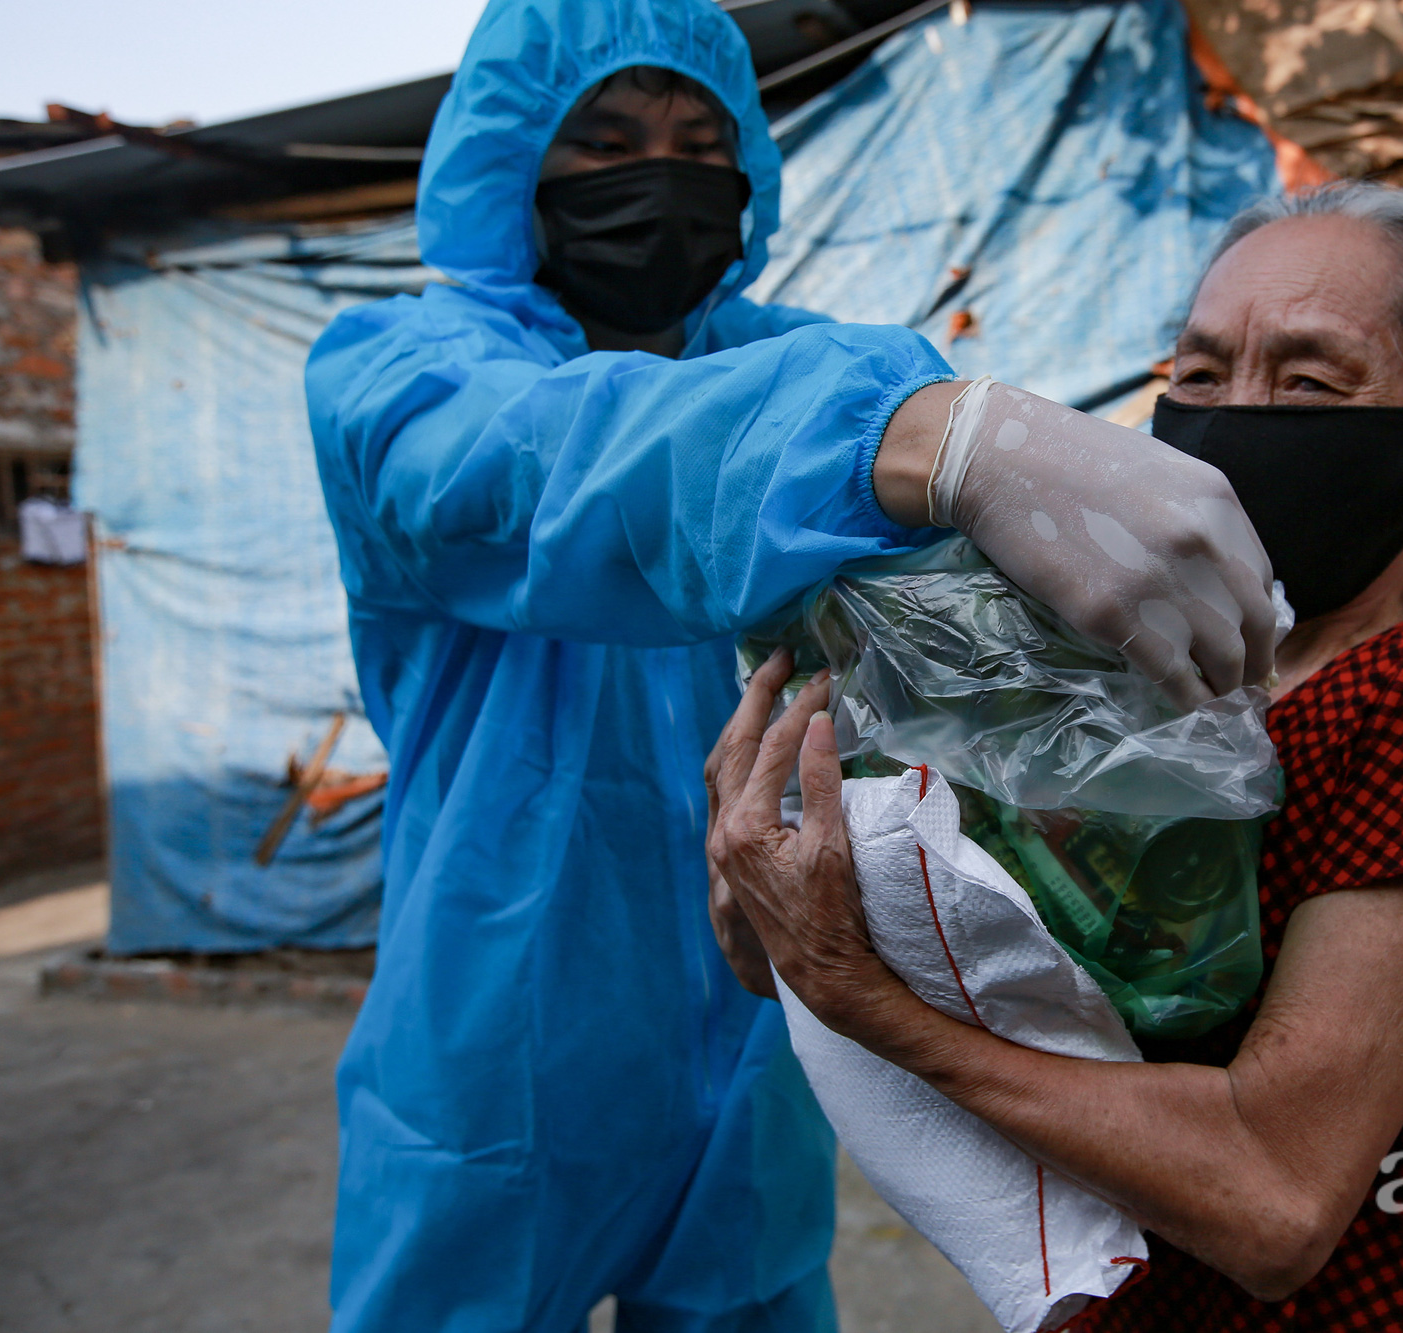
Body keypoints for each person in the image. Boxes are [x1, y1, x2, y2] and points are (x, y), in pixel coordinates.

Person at [303, 0, 1280, 1328]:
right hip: (504, 1026)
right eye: (605, 143)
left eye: (702, 139)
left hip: (767, 997)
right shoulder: (398, 378)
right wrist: (937, 441)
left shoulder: (813, 369)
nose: (662, 173)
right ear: (508, 168)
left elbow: (957, 650)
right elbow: (562, 464)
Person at [707, 182, 1403, 1333]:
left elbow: (1271, 1197)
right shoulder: (1101, 672)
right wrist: (772, 895)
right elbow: (920, 956)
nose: (1238, 417)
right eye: (1197, 376)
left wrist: (864, 1003)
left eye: (1307, 380)